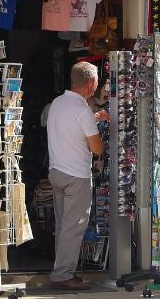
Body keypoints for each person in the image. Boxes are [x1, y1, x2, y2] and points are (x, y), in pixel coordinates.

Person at [46, 61, 109, 290]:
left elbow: (70, 128)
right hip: (76, 175)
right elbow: (97, 149)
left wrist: (94, 118)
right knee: (74, 227)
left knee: (64, 225)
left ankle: (60, 269)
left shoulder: (57, 103)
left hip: (57, 171)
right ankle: (63, 274)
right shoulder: (82, 109)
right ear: (91, 83)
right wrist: (97, 124)